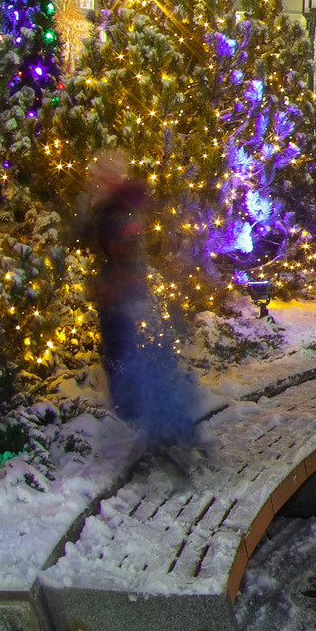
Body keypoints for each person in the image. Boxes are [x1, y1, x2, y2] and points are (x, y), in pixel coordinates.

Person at [77, 149, 210, 475]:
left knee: (137, 367)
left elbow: (126, 254)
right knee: (136, 365)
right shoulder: (112, 206)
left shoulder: (119, 210)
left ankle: (172, 434)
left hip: (124, 299)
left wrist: (116, 286)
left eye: (99, 173)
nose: (95, 179)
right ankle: (170, 432)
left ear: (111, 175)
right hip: (123, 298)